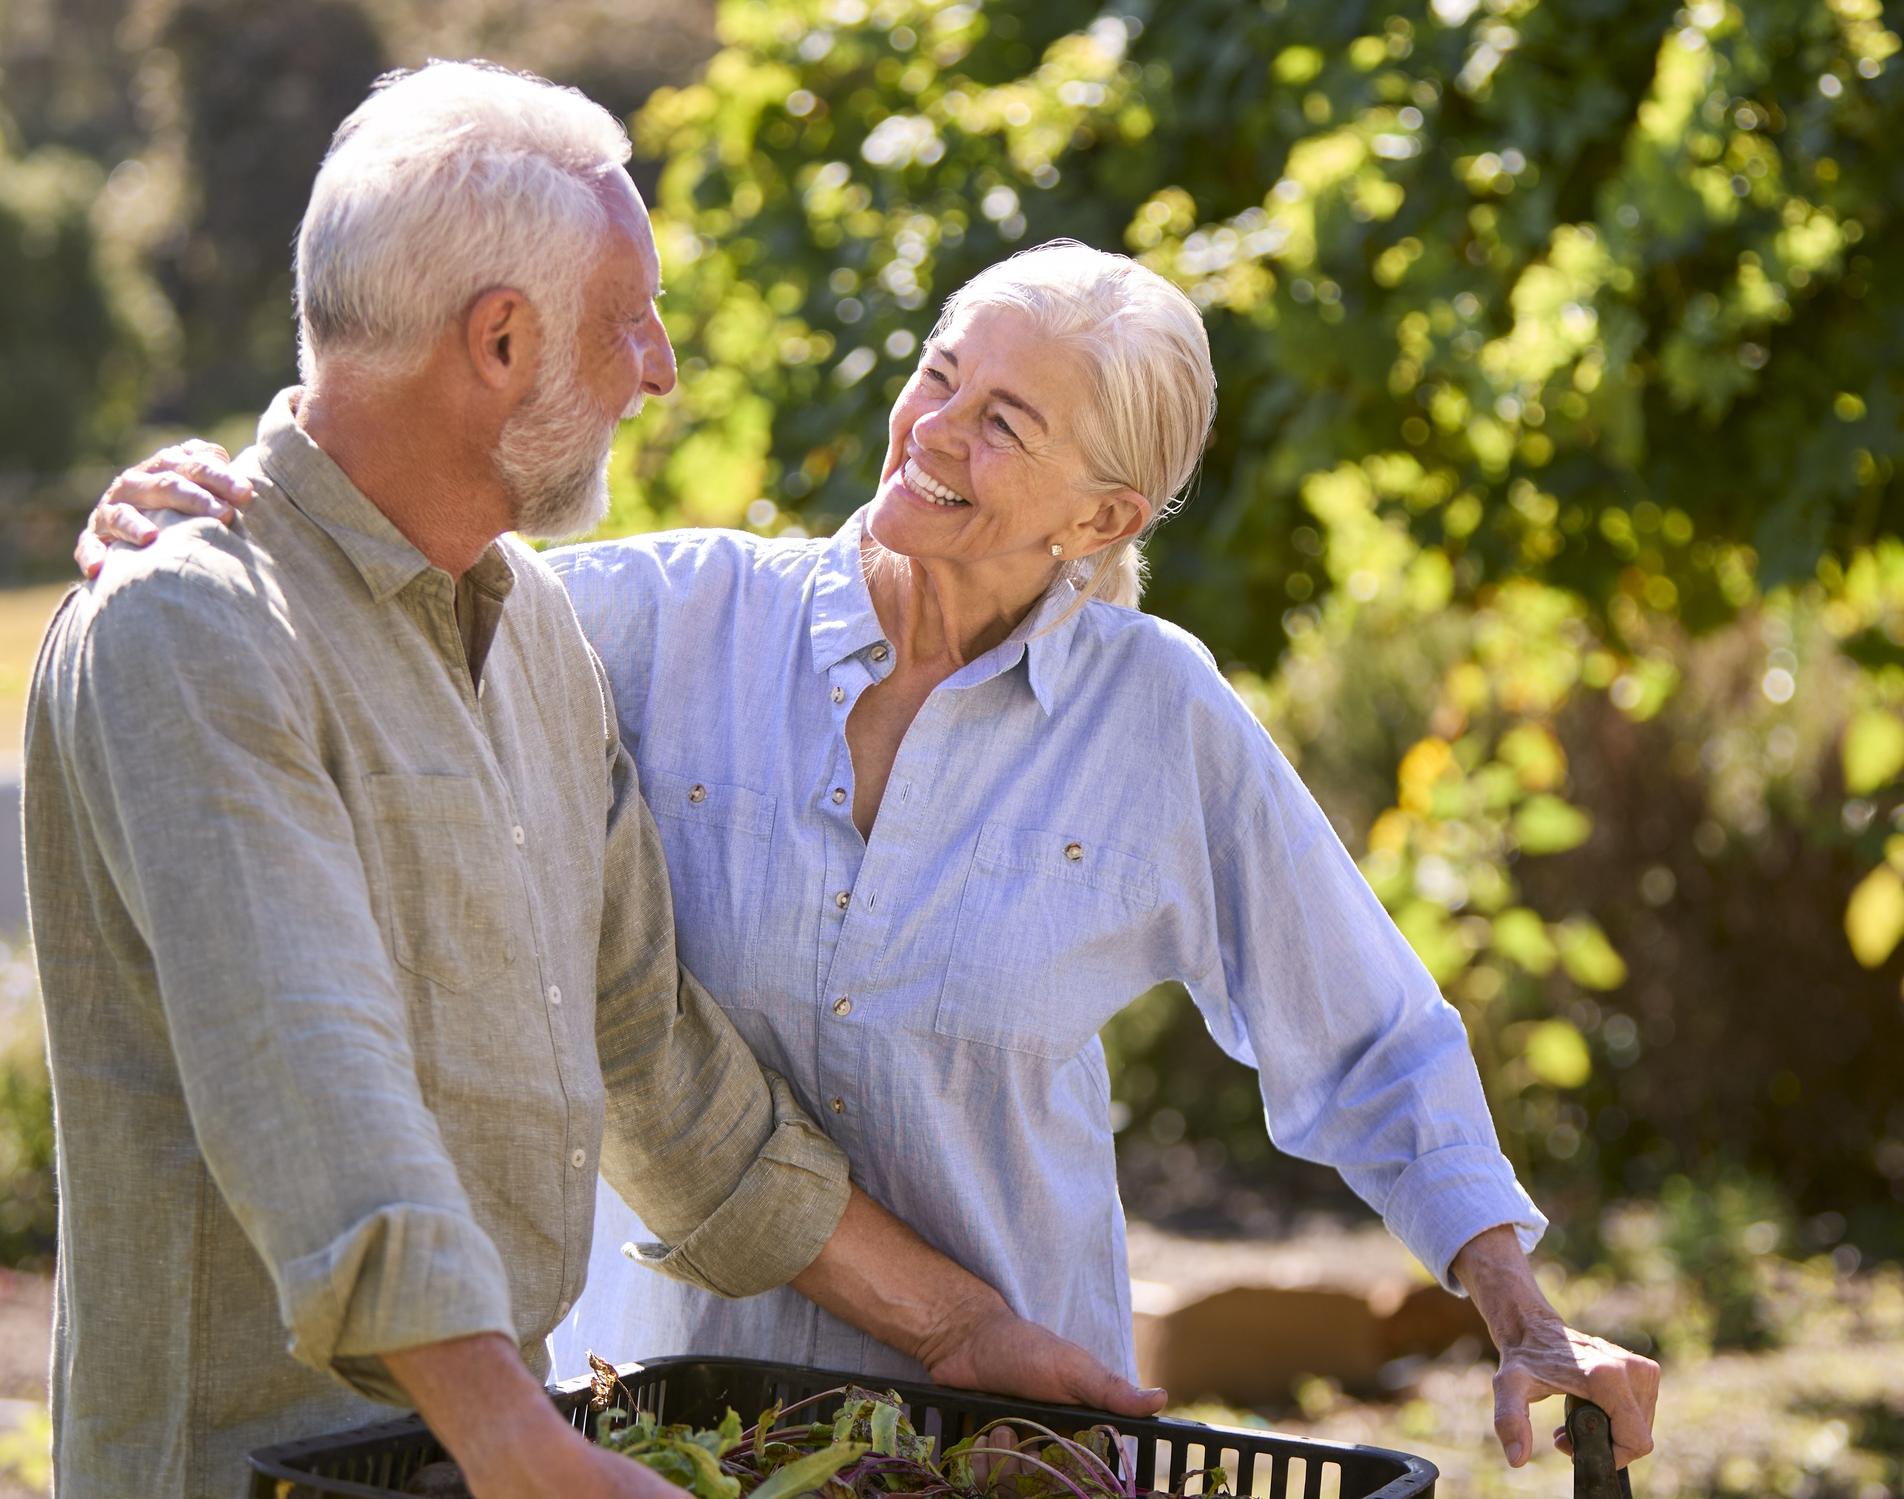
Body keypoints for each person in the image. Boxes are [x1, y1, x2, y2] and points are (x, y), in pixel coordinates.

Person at [86, 202, 1660, 1481]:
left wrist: (1519, 1313)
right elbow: (387, 589)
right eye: (938, 376)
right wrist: (219, 518)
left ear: (1103, 519)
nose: (932, 432)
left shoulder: (1157, 723)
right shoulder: (652, 622)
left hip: (1003, 1435)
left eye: (1004, 423)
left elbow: (1374, 1039)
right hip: (677, 1419)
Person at [29, 63, 1154, 1499]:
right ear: (499, 341)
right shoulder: (193, 627)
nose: (664, 367)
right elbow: (305, 1072)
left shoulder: (535, 636)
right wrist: (517, 1443)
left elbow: (658, 1069)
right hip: (249, 1473)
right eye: (633, 323)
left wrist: (965, 1327)